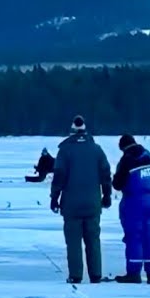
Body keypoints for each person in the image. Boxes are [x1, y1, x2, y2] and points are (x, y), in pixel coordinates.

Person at [50, 116, 112, 284]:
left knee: (73, 242)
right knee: (93, 240)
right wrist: (106, 196)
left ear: (71, 132)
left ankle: (76, 275)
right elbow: (106, 175)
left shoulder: (65, 151)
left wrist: (54, 198)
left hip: (71, 205)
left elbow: (59, 176)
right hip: (93, 203)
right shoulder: (97, 150)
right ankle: (96, 274)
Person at [112, 135, 150, 284]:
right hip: (149, 200)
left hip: (133, 200)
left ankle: (133, 273)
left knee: (134, 236)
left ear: (123, 147)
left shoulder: (127, 160)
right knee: (149, 236)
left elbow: (117, 184)